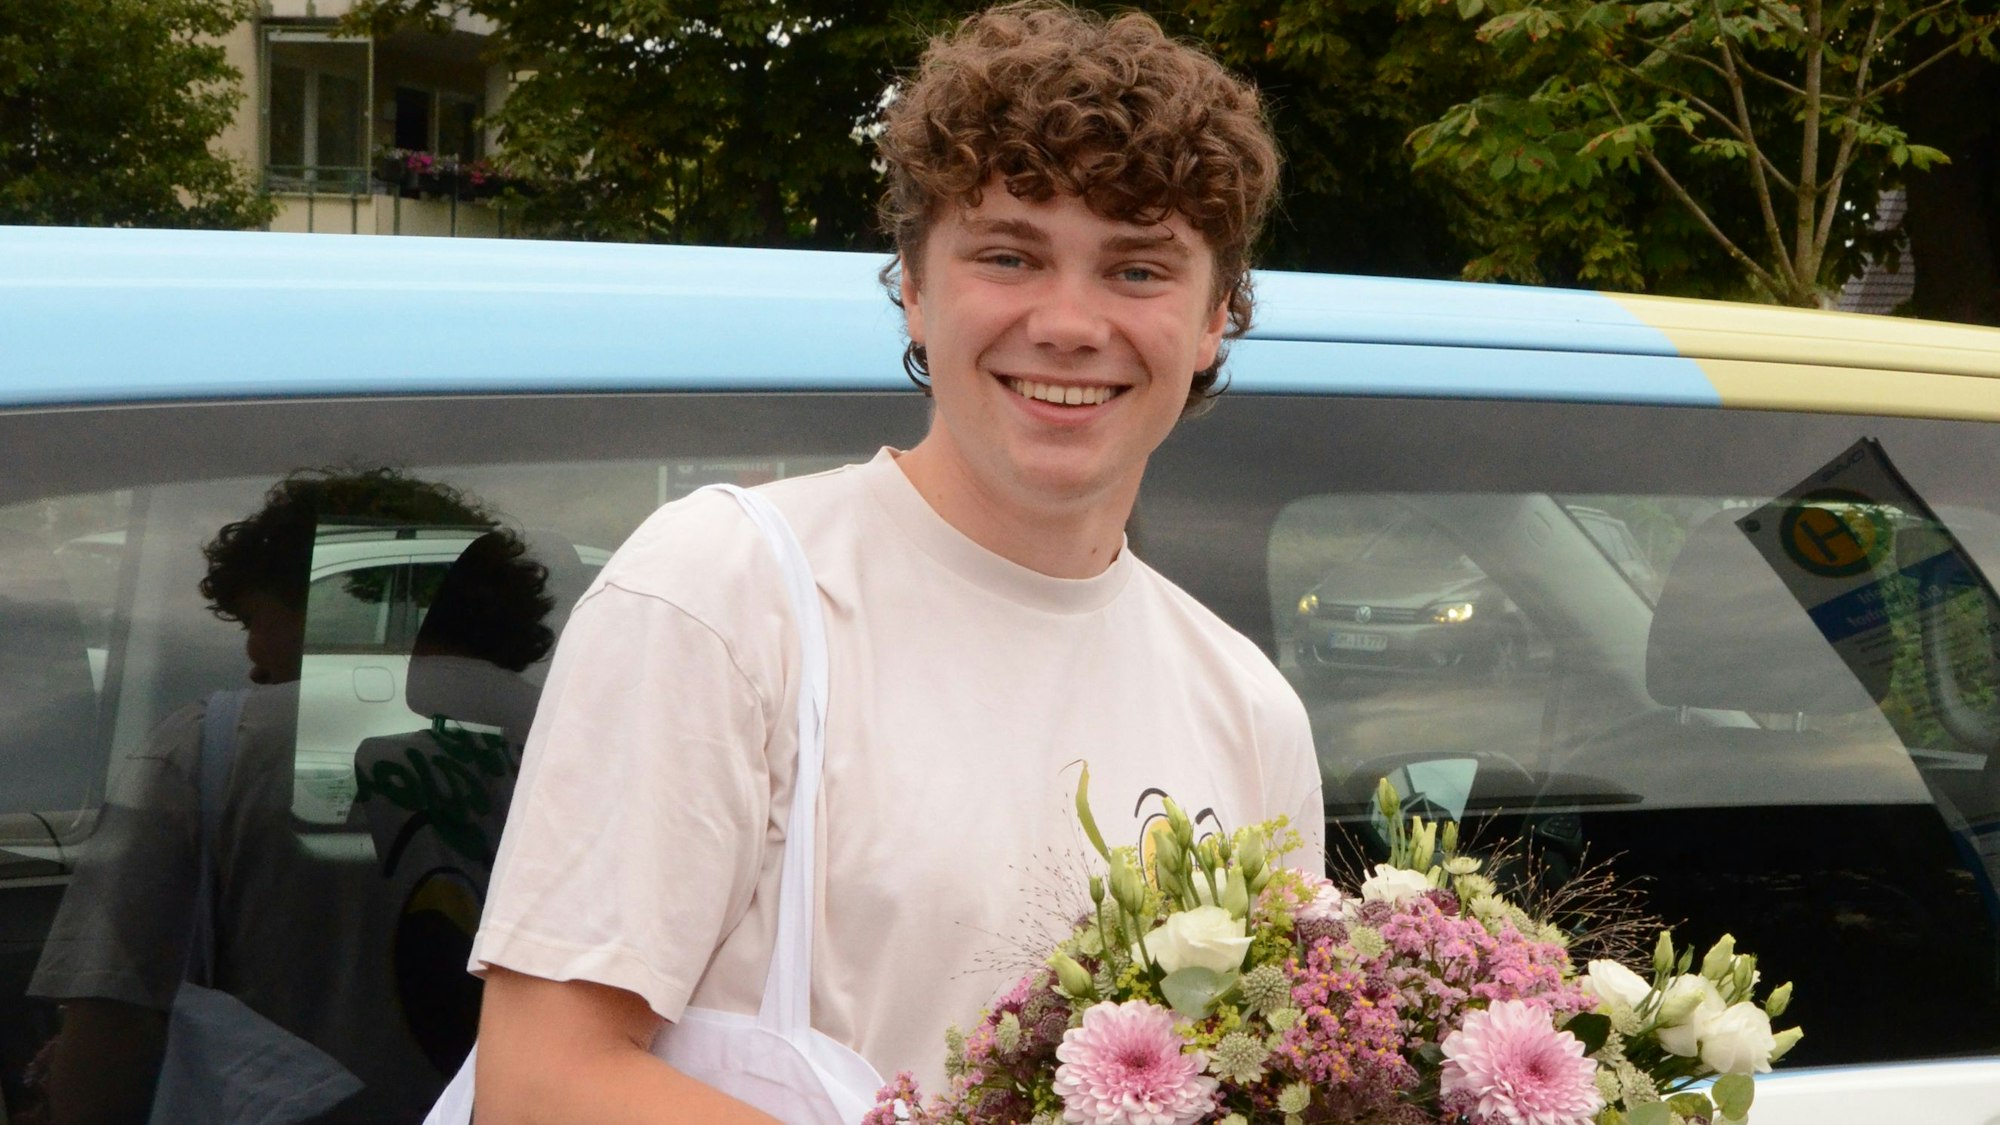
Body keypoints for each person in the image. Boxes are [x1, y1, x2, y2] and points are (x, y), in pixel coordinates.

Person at [467, 4, 1324, 1121]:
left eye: (1137, 270)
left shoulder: (1246, 704)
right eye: (1009, 255)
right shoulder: (728, 592)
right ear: (914, 288)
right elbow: (540, 1085)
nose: (1068, 323)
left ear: (1217, 319)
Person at [25, 469, 554, 1124]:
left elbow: (114, 1022)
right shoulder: (587, 734)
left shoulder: (211, 747)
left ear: (330, 596)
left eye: (256, 618)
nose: (252, 656)